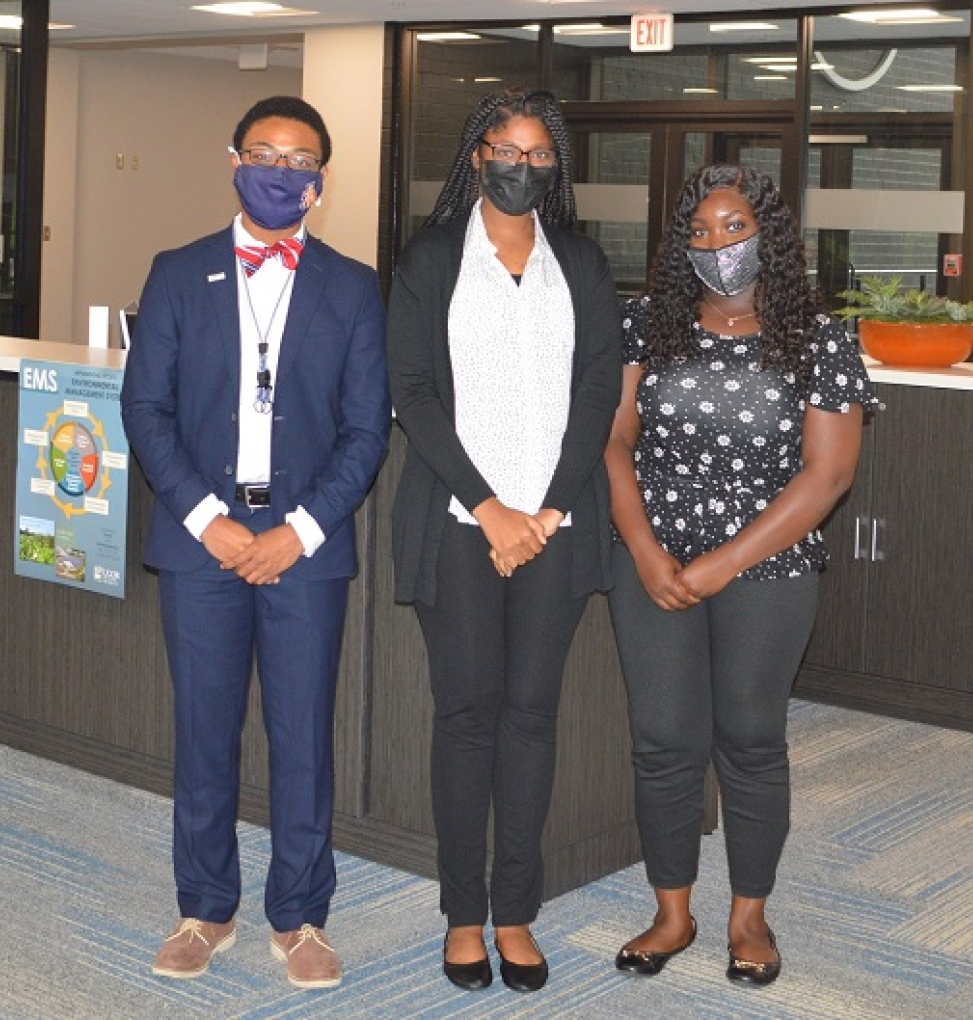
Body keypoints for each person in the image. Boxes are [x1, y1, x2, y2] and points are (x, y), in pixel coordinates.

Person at [121, 96, 391, 990]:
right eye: (264, 153)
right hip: (203, 537)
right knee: (204, 732)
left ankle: (301, 915)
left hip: (305, 543)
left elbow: (366, 430)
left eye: (300, 158)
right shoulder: (177, 271)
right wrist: (214, 520)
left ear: (321, 178)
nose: (282, 170)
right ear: (232, 160)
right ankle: (204, 909)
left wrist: (299, 531)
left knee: (301, 734)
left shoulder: (353, 287)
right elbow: (145, 411)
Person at [604, 164, 871, 986]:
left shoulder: (820, 338)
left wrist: (724, 561)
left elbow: (825, 478)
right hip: (651, 561)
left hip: (767, 566)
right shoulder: (647, 323)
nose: (716, 246)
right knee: (663, 743)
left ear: (770, 238)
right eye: (698, 233)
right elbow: (612, 443)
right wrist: (648, 549)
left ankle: (749, 915)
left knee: (751, 742)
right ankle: (672, 911)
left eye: (732, 228)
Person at [386, 89, 620, 993]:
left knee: (531, 718)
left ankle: (515, 914)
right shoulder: (433, 258)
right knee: (467, 716)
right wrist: (490, 508)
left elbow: (597, 392)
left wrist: (549, 510)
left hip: (555, 532)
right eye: (506, 149)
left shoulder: (583, 266)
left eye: (539, 154)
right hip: (460, 528)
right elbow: (413, 392)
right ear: (476, 155)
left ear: (555, 167)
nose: (522, 166)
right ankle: (460, 917)